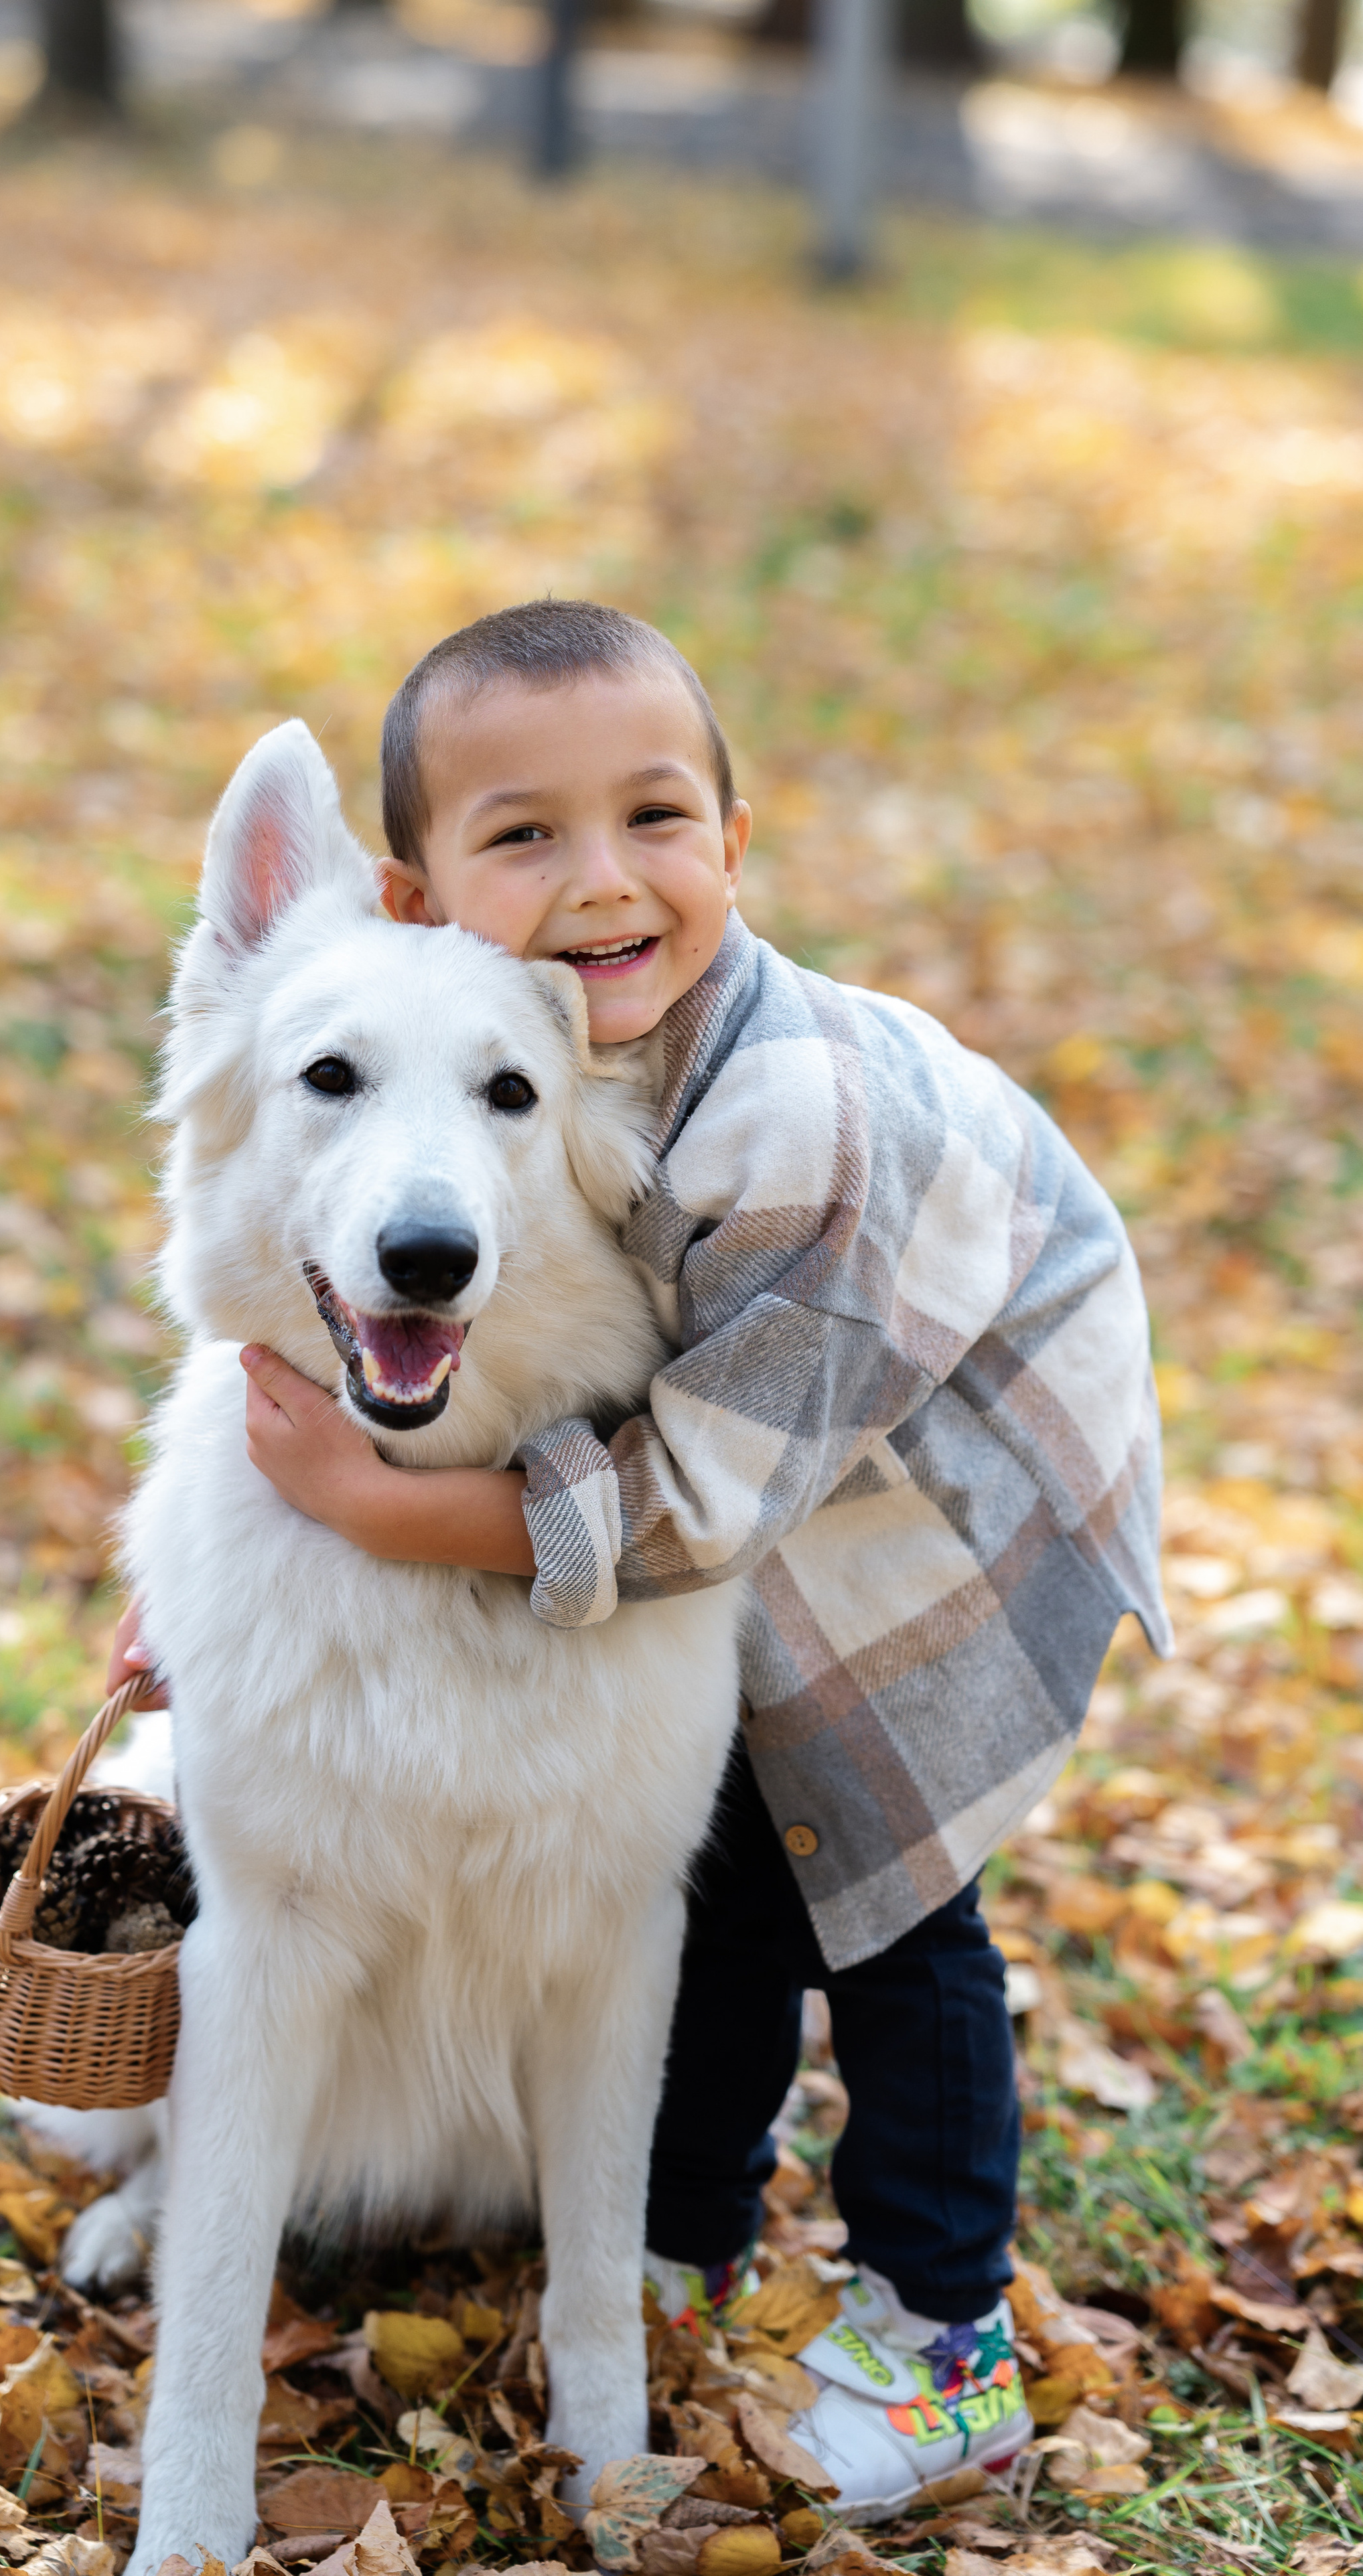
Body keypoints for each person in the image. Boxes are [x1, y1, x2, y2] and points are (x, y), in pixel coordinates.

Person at [107, 599, 1170, 2519]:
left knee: (888, 1900)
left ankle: (943, 2337)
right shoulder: (547, 1027)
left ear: (734, 845)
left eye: (655, 819)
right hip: (755, 1493)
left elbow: (692, 1499)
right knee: (740, 1889)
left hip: (951, 1523)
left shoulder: (788, 1123)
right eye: (526, 837)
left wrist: (377, 1500)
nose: (598, 882)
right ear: (417, 893)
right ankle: (683, 2235)